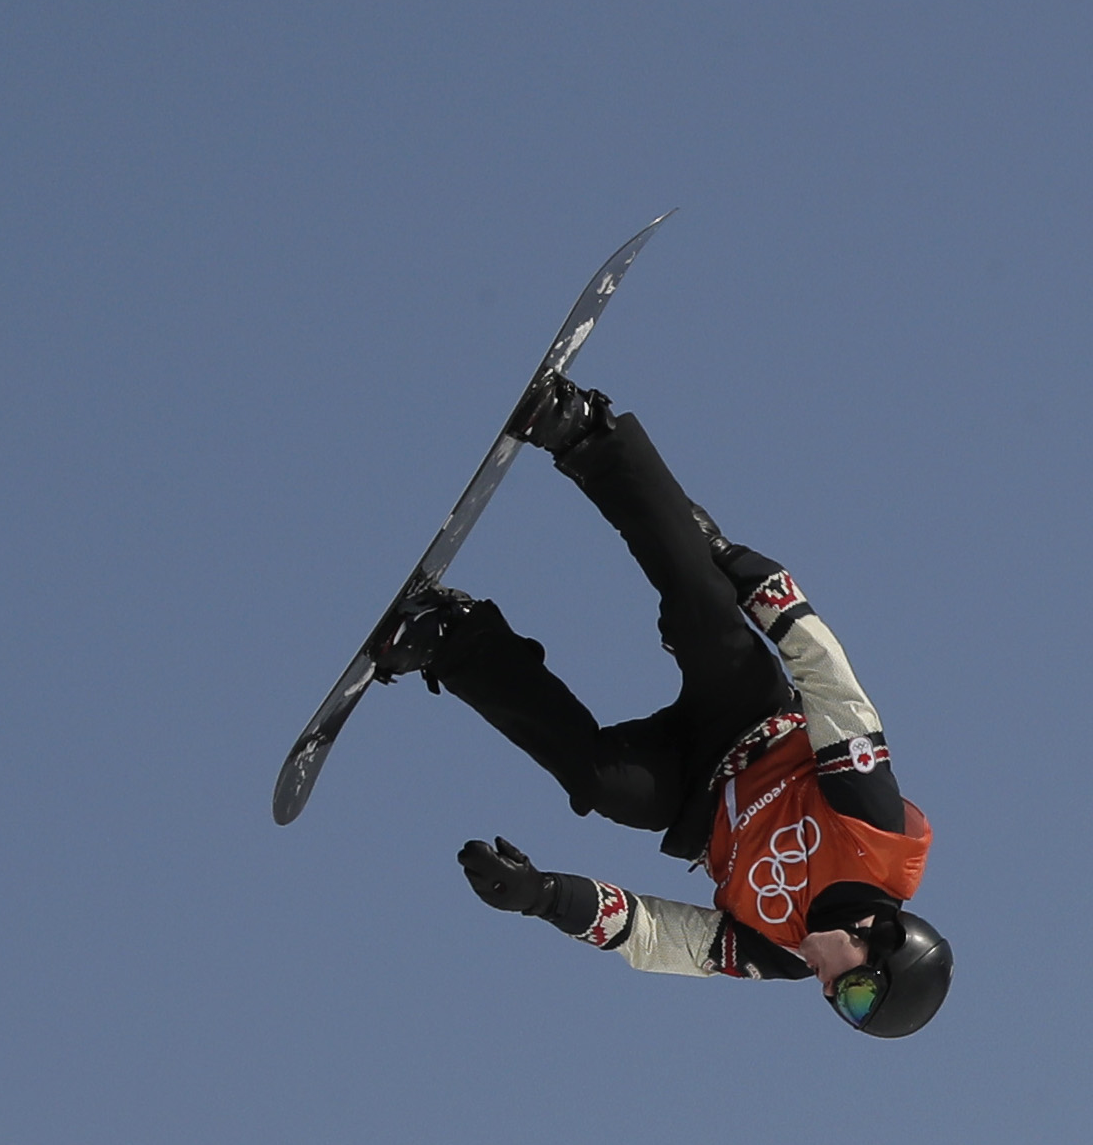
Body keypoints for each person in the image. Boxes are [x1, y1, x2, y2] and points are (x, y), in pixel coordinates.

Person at [372, 378, 951, 1036]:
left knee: (603, 782)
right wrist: (736, 566)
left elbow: (657, 937)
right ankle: (588, 436)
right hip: (752, 719)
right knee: (703, 616)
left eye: (845, 1010)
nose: (829, 993)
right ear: (881, 939)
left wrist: (543, 897)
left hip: (690, 799)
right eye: (855, 993)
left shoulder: (780, 954)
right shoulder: (875, 838)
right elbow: (832, 686)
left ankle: (452, 639)